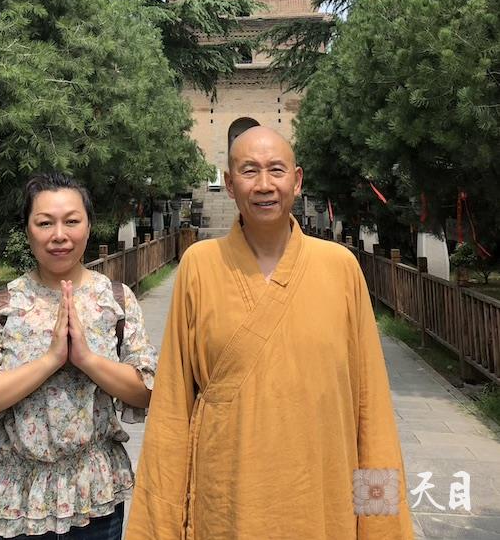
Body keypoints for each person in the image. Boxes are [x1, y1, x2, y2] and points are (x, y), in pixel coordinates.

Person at [126, 126, 414, 539]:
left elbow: (372, 410)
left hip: (322, 500)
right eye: (249, 171)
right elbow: (172, 406)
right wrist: (158, 527)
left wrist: (381, 526)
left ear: (296, 181)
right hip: (227, 504)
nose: (264, 185)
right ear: (229, 184)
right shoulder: (199, 266)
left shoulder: (340, 267)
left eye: (276, 170)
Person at [0, 172, 157, 539]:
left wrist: (87, 359)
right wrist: (50, 361)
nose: (59, 235)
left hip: (94, 496)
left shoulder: (116, 300)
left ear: (89, 227)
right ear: (28, 231)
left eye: (72, 221)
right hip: (13, 500)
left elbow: (147, 392)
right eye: (45, 223)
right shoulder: (2, 306)